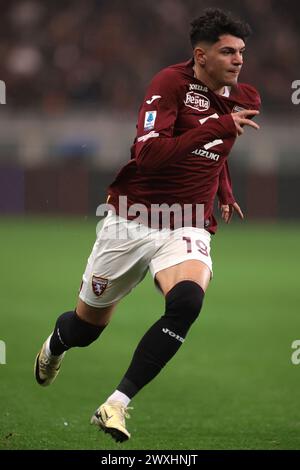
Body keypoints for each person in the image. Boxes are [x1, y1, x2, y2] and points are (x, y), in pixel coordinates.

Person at [35, 7, 260, 443]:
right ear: (201, 55)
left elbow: (219, 147)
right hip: (132, 221)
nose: (238, 60)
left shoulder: (242, 95)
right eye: (228, 52)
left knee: (187, 303)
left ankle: (116, 404)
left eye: (242, 52)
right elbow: (149, 156)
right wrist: (217, 124)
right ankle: (55, 345)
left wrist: (224, 190)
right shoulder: (168, 86)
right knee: (85, 329)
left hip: (187, 223)